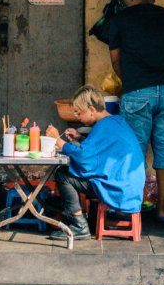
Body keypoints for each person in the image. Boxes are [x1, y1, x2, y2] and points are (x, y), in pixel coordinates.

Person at [108, 0, 164, 221]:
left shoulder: (119, 20)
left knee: (135, 151)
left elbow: (115, 60)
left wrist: (130, 79)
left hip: (137, 92)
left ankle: (134, 208)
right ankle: (162, 209)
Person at [44, 85, 145, 240]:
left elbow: (85, 159)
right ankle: (88, 221)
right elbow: (101, 151)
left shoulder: (103, 126)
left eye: (79, 112)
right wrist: (80, 138)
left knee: (63, 175)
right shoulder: (115, 121)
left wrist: (58, 141)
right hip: (130, 186)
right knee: (80, 175)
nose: (77, 116)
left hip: (119, 189)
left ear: (91, 110)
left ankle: (79, 226)